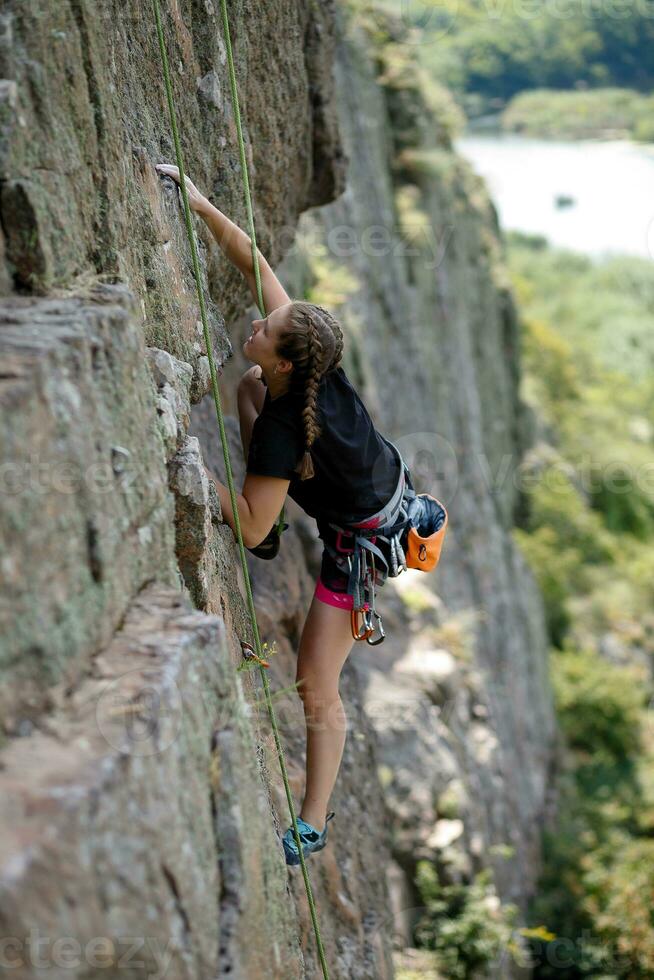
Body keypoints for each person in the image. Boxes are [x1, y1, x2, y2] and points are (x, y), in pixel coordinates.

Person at [156, 164, 408, 865]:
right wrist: (202, 203)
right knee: (245, 389)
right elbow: (255, 261)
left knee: (314, 683)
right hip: (376, 497)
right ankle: (260, 496)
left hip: (363, 546)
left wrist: (194, 476)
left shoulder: (283, 428)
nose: (258, 321)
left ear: (292, 360)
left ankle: (312, 823)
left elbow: (257, 529)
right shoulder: (312, 362)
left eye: (267, 328)